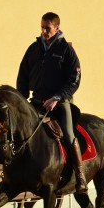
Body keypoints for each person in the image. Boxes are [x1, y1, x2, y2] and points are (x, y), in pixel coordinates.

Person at [16, 12, 87, 193]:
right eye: (42, 27)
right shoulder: (33, 49)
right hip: (37, 102)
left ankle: (80, 176)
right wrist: (21, 100)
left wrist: (57, 97)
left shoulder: (66, 50)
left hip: (60, 103)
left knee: (70, 135)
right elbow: (23, 75)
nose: (44, 31)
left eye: (47, 28)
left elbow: (74, 79)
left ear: (56, 28)